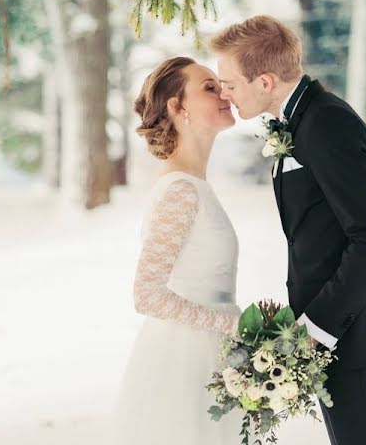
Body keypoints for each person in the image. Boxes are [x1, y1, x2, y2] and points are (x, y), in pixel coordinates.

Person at [213, 15, 366, 445]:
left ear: (265, 81)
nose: (225, 93)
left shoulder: (326, 124)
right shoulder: (304, 120)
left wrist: (314, 332)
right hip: (338, 344)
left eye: (230, 83)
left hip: (358, 341)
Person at [114, 56, 242, 445]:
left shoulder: (194, 186)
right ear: (177, 106)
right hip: (186, 364)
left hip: (212, 357)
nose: (224, 92)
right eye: (209, 86)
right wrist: (233, 325)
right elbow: (147, 294)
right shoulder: (181, 191)